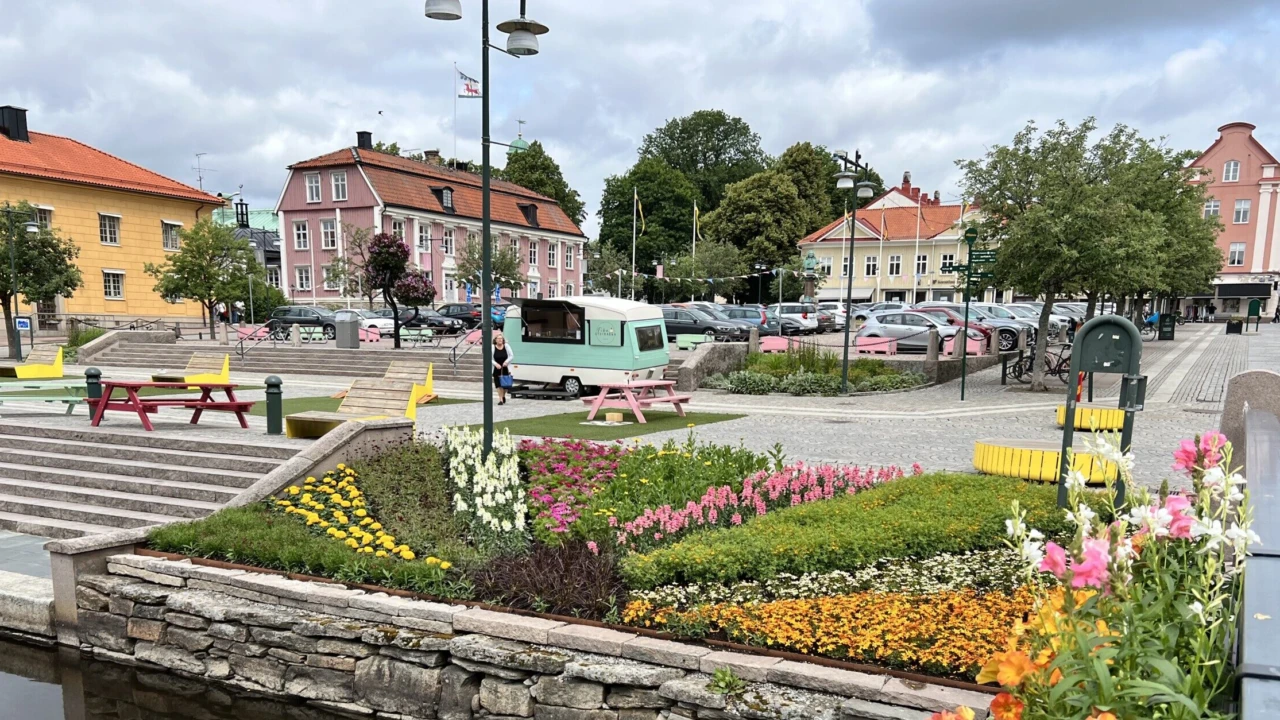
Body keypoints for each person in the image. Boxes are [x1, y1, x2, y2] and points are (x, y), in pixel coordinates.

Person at [492, 331, 514, 405]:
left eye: (501, 339)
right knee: (498, 385)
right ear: (495, 340)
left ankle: (503, 395)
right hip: (497, 368)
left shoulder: (506, 346)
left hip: (505, 368)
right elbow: (489, 358)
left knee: (505, 385)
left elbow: (511, 356)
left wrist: (506, 362)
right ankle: (500, 399)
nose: (500, 340)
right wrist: (495, 364)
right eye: (498, 339)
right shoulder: (493, 347)